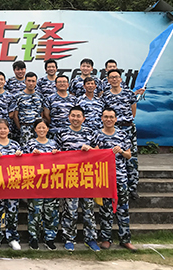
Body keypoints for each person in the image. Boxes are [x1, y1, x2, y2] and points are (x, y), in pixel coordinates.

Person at [93, 108, 137, 252]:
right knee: (105, 211)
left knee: (123, 209)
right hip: (104, 179)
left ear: (116, 119)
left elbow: (129, 155)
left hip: (120, 178)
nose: (109, 119)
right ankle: (106, 239)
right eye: (106, 117)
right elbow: (93, 154)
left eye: (111, 117)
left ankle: (125, 240)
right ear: (102, 118)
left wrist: (122, 151)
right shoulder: (96, 135)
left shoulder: (123, 135)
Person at [57, 106, 100, 252]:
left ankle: (90, 238)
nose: (75, 118)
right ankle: (69, 238)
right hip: (69, 177)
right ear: (69, 117)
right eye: (73, 116)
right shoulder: (61, 133)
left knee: (88, 209)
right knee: (70, 209)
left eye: (78, 116)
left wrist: (91, 150)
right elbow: (55, 154)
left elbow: (99, 152)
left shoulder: (90, 133)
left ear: (83, 118)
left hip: (87, 176)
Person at [102, 69, 140, 200]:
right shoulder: (105, 95)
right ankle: (114, 187)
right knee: (114, 157)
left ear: (120, 79)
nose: (114, 79)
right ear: (108, 80)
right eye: (111, 77)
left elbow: (133, 109)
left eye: (116, 77)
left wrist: (128, 121)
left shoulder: (128, 93)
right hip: (113, 130)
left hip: (128, 129)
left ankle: (132, 187)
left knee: (131, 158)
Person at [0, 119, 23, 251]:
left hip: (13, 185)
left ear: (9, 130)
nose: (2, 131)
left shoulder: (15, 145)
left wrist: (20, 156)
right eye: (0, 128)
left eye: (5, 128)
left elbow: (24, 164)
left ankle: (12, 238)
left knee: (12, 212)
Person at [26, 119, 59, 251]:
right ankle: (33, 237)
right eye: (39, 127)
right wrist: (31, 156)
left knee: (51, 211)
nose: (41, 130)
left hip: (51, 183)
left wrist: (56, 155)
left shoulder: (54, 144)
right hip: (35, 183)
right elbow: (22, 161)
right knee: (35, 211)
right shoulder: (30, 144)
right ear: (35, 130)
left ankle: (49, 237)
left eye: (43, 127)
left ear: (47, 129)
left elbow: (62, 161)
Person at [12, 72, 45, 148]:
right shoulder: (18, 96)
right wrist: (21, 128)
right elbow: (15, 115)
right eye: (29, 81)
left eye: (33, 81)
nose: (31, 83)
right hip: (25, 128)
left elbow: (42, 113)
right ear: (25, 82)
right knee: (26, 149)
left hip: (38, 129)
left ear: (36, 82)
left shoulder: (40, 96)